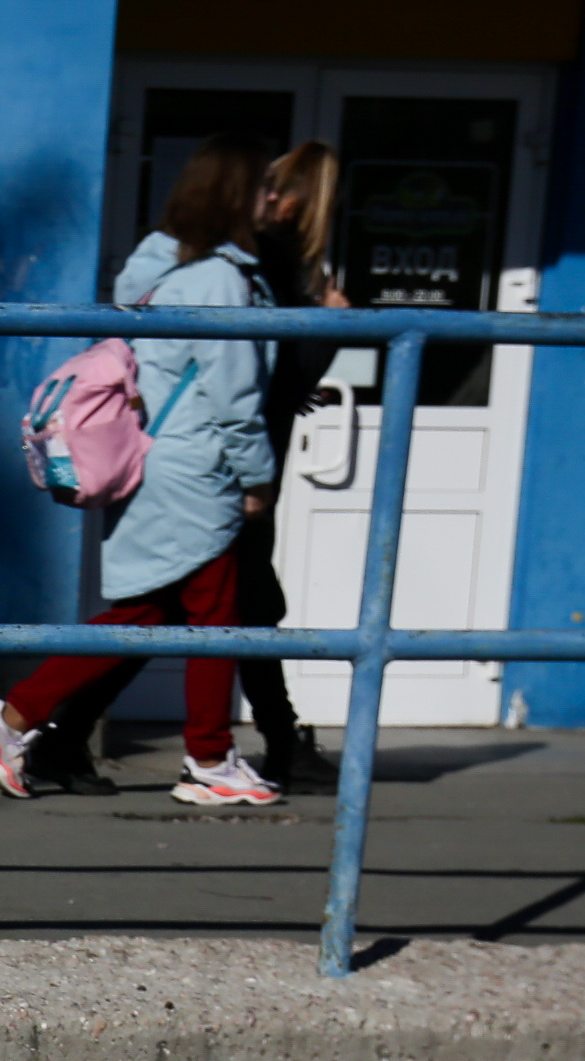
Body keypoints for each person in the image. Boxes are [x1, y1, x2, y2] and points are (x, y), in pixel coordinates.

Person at [0, 136, 282, 808]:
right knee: (215, 619)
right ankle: (209, 759)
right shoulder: (219, 280)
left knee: (151, 611)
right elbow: (234, 393)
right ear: (235, 196)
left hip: (159, 463)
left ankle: (17, 719)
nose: (273, 199)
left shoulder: (164, 272)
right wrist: (257, 477)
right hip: (196, 470)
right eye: (263, 186)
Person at [234, 142, 346, 791]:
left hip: (247, 452)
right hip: (244, 459)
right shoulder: (271, 261)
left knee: (224, 602)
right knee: (237, 602)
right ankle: (281, 742)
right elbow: (268, 375)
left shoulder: (260, 259)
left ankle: (55, 729)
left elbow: (270, 372)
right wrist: (332, 326)